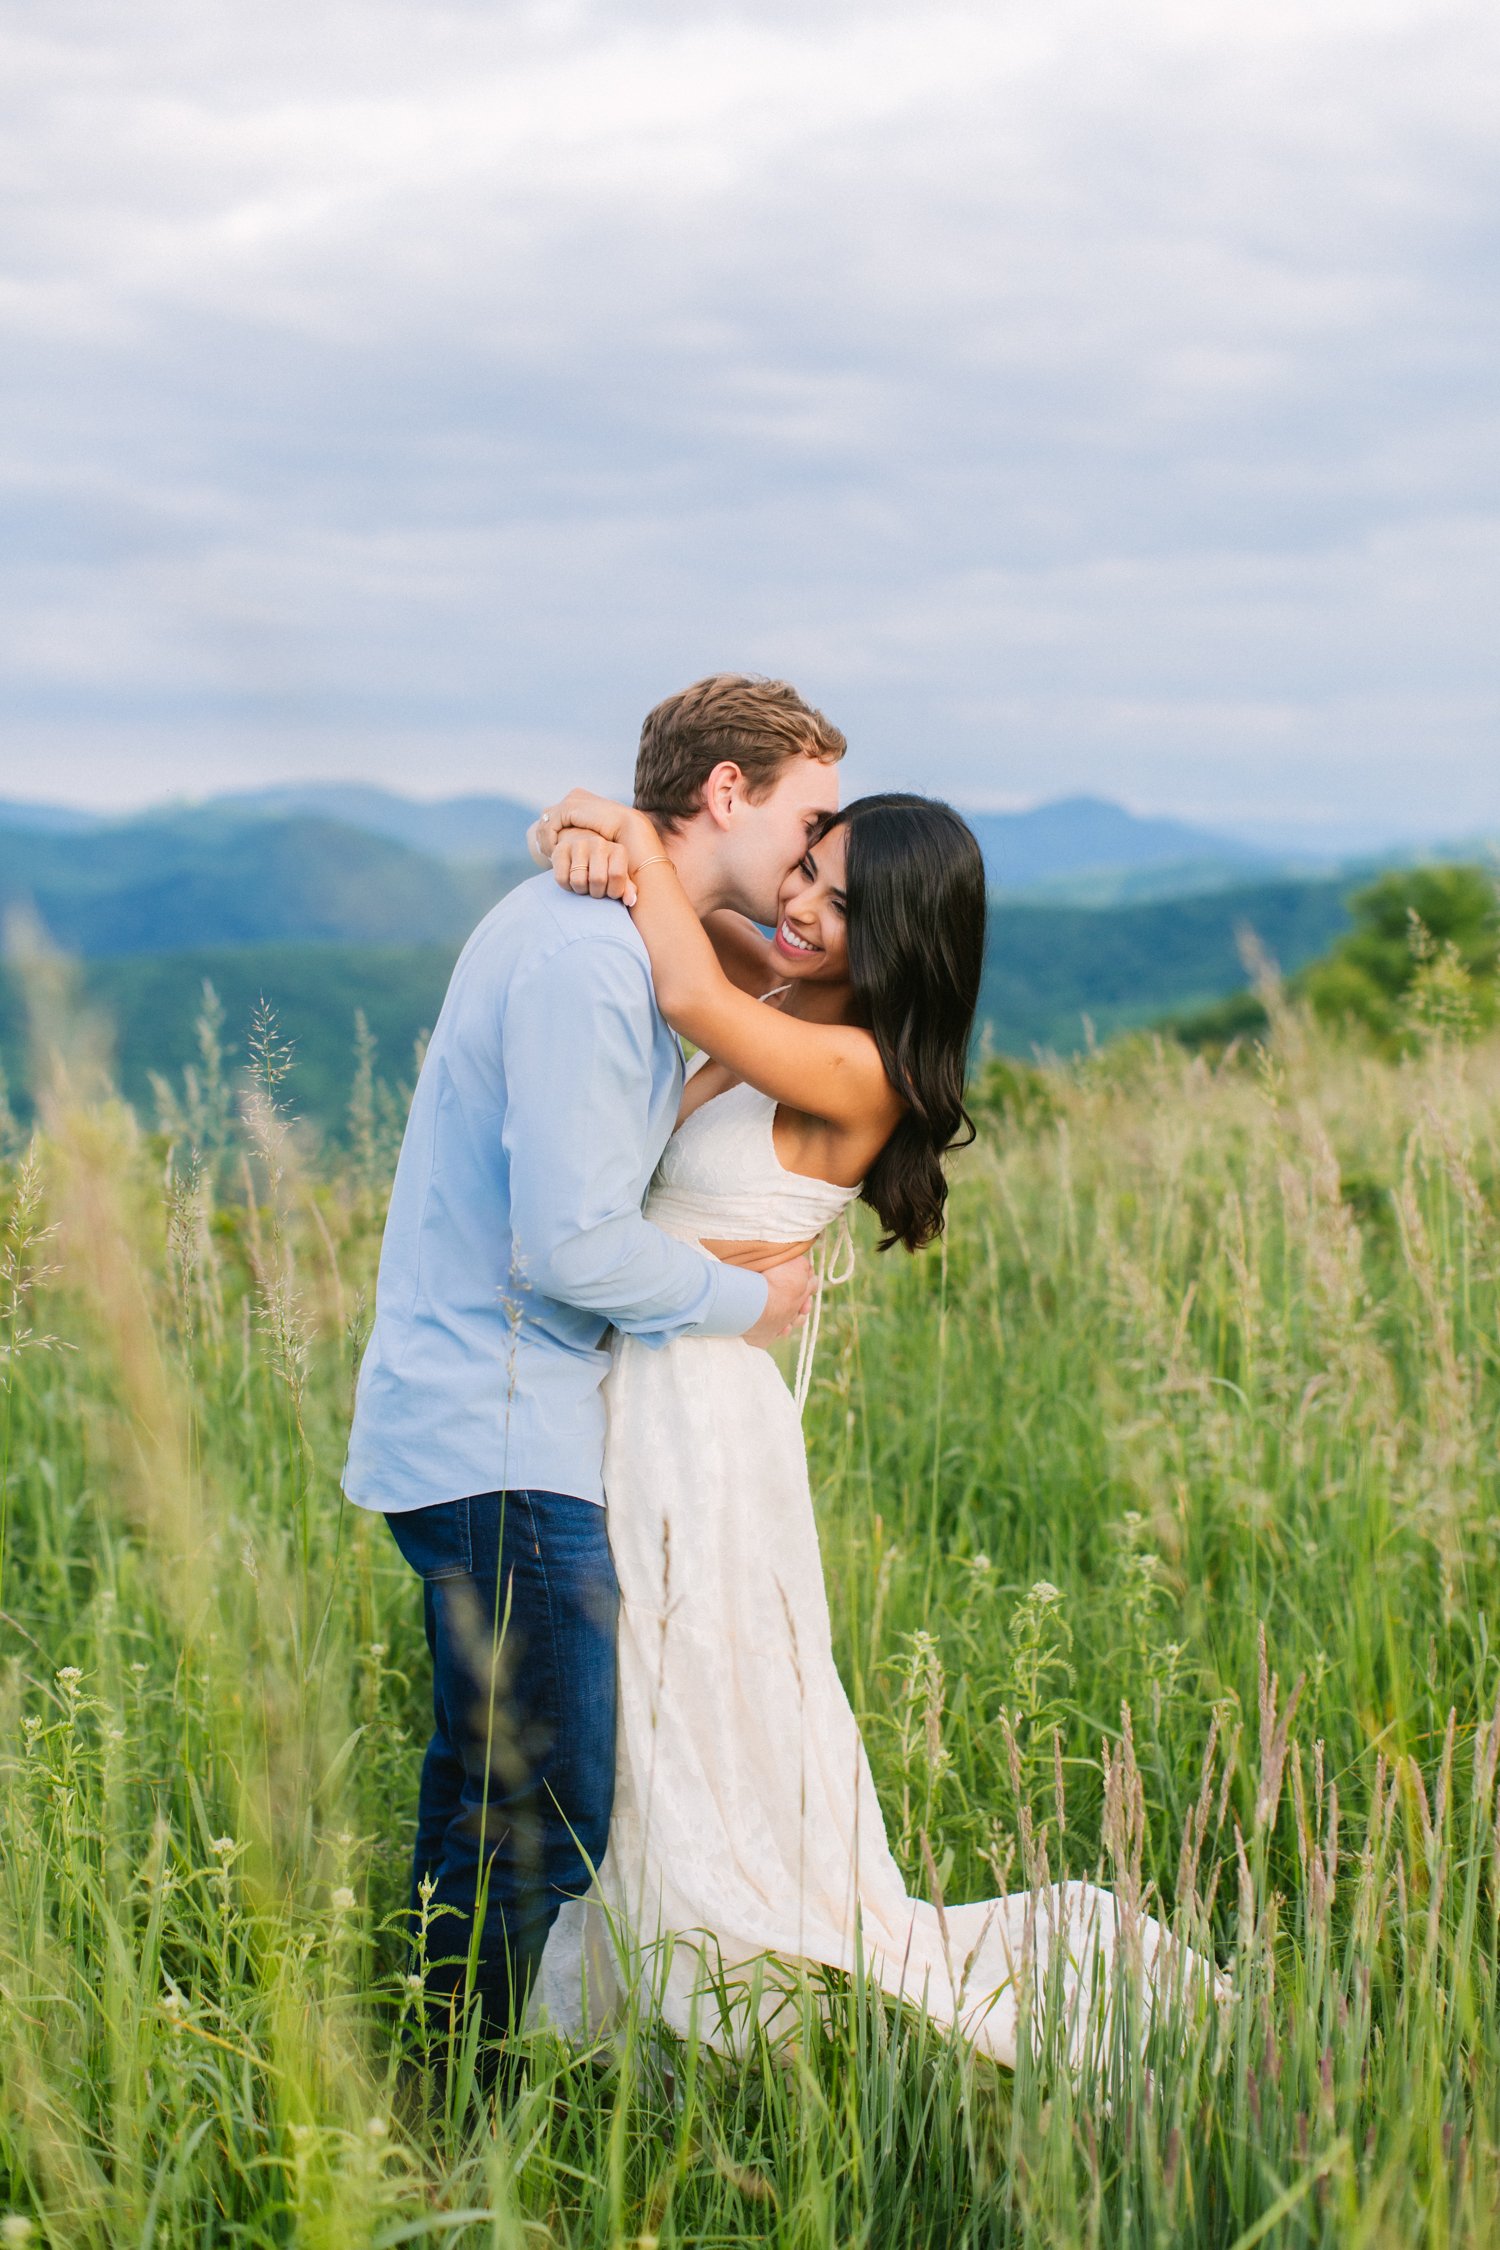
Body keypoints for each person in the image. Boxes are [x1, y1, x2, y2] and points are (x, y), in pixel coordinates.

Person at [527, 782, 1222, 2069]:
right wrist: (583, 823)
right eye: (807, 871)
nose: (798, 906)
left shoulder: (861, 1066)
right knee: (644, 1685)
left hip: (704, 1417)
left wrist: (627, 838)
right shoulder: (792, 992)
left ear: (900, 935)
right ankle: (634, 1960)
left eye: (840, 904)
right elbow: (691, 908)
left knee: (690, 1680)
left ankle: (717, 1973)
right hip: (652, 1378)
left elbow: (685, 990)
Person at [342, 674, 846, 2048]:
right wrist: (743, 1300)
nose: (814, 856)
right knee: (544, 1811)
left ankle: (434, 2092)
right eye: (807, 819)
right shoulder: (588, 956)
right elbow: (572, 1243)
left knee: (491, 1788)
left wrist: (607, 827)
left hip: (508, 1417)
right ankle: (458, 2120)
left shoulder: (625, 925)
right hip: (498, 1426)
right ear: (729, 792)